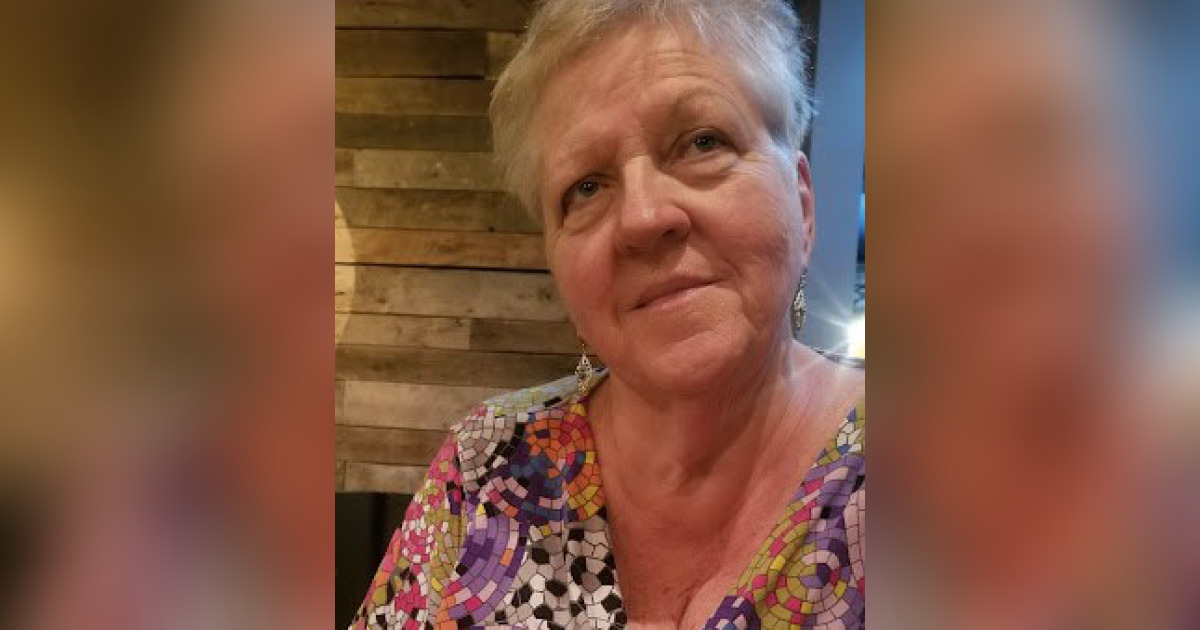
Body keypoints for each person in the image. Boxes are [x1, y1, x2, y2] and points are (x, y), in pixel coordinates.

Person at [349, 1, 864, 627]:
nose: (644, 218)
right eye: (586, 187)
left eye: (703, 142)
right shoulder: (484, 467)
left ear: (803, 204)